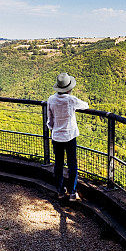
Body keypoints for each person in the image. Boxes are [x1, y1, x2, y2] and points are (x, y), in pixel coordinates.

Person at [46, 72, 88, 201]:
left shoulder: (51, 99)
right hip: (70, 136)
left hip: (57, 136)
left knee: (58, 164)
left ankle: (60, 191)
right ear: (69, 88)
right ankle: (72, 192)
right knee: (72, 164)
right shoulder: (71, 100)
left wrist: (54, 128)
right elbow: (85, 105)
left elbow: (50, 120)